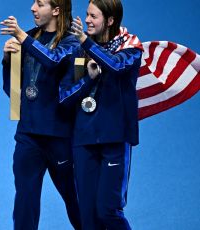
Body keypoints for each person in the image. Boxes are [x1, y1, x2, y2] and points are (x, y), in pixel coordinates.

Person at [60, 0, 143, 229]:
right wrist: (88, 80)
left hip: (114, 139)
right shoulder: (78, 51)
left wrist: (86, 42)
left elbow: (115, 67)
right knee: (88, 218)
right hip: (84, 141)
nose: (87, 20)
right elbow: (65, 97)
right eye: (87, 14)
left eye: (93, 16)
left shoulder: (131, 47)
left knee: (108, 211)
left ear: (110, 20)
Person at [0, 0, 81, 229]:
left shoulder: (72, 42)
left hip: (60, 137)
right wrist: (8, 61)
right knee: (24, 202)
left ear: (56, 10)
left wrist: (21, 38)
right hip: (28, 136)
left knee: (75, 200)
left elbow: (53, 61)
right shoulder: (28, 38)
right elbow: (14, 92)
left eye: (40, 3)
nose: (33, 8)